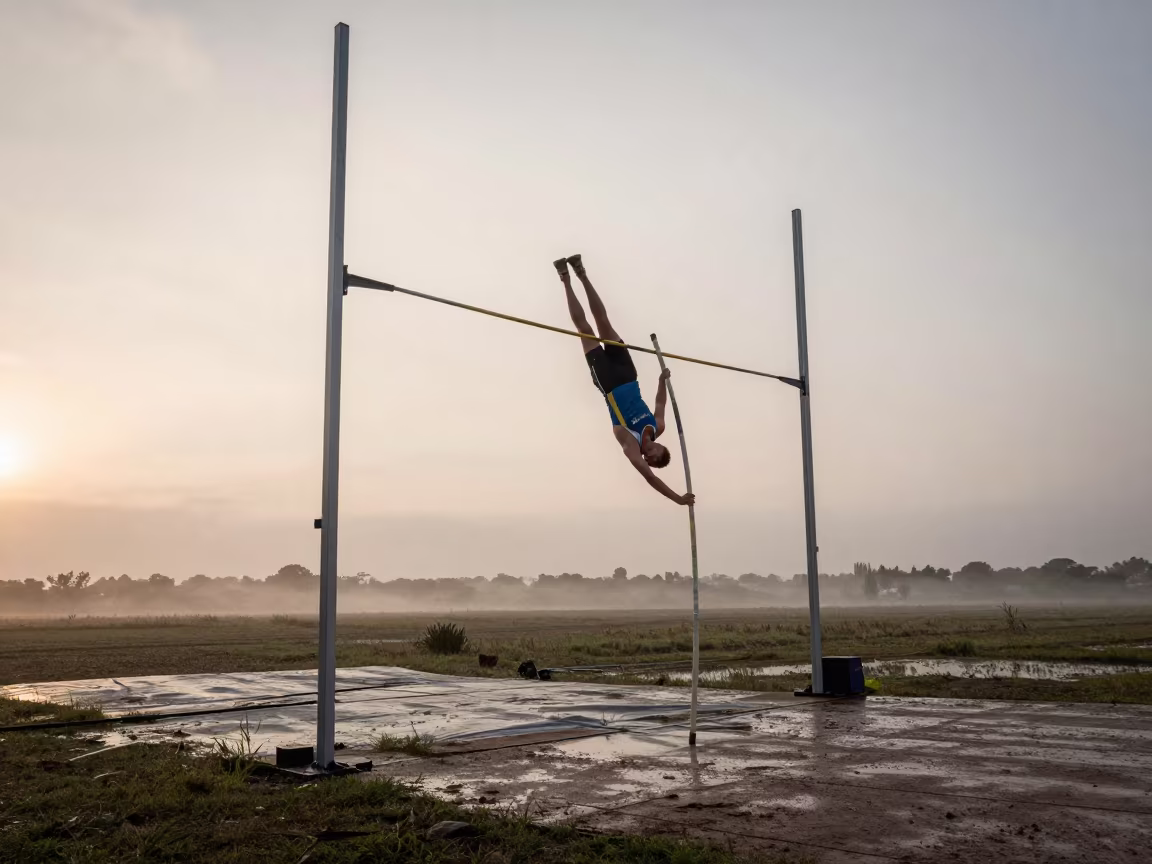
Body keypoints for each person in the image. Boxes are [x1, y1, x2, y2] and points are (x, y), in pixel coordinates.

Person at [554, 254, 695, 506]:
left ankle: (564, 277)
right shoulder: (657, 427)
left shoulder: (630, 445)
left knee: (585, 330)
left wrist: (678, 499)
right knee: (604, 322)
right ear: (662, 447)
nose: (650, 454)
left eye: (650, 458)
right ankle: (581, 273)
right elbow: (660, 404)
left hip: (607, 381)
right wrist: (662, 380)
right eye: (656, 453)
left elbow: (651, 480)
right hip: (628, 373)